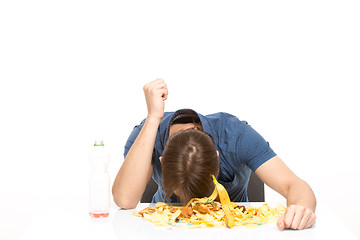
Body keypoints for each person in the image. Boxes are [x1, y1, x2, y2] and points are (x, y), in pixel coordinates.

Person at [112, 78, 316, 230]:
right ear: (163, 162)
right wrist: (152, 118)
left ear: (218, 158)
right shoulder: (146, 135)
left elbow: (295, 186)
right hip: (166, 229)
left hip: (231, 229)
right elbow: (124, 200)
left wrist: (301, 209)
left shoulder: (236, 136)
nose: (195, 210)